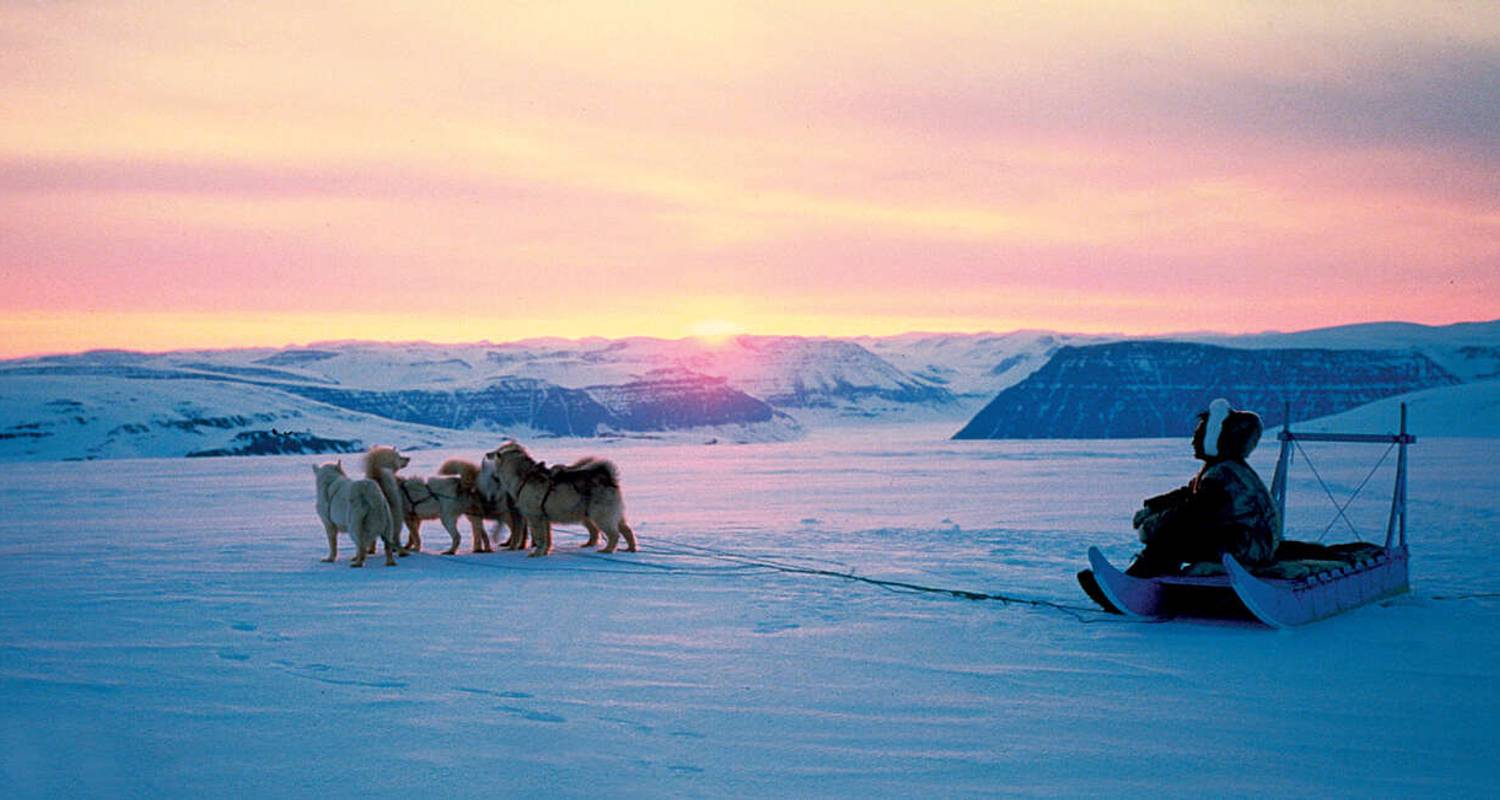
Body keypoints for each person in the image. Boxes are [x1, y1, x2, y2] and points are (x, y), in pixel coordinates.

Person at [1123, 398, 1280, 578]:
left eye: (1198, 436)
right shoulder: (1225, 469)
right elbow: (1188, 493)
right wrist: (1154, 505)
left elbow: (1195, 510)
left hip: (1247, 546)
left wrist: (1156, 523)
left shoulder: (1223, 474)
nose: (1193, 442)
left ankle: (1139, 579)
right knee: (1176, 534)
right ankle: (1155, 578)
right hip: (1251, 541)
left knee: (1172, 538)